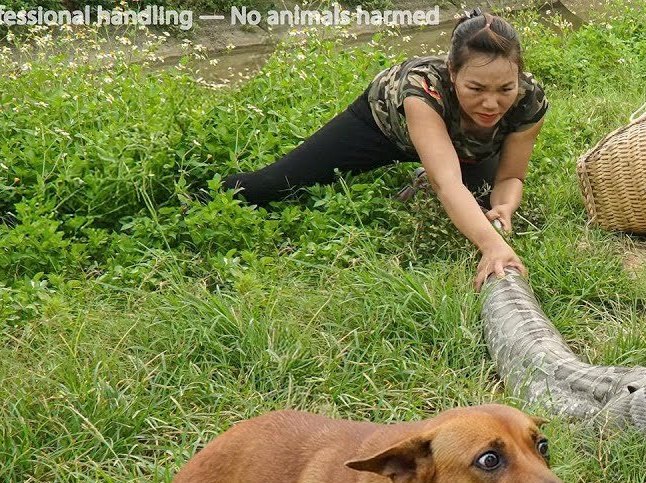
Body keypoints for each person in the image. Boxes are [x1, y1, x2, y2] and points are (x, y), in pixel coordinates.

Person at [222, 9, 548, 291]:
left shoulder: (528, 99)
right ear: (451, 71)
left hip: (464, 149)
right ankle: (199, 197)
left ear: (518, 76)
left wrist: (504, 207)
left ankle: (423, 175)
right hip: (382, 127)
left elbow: (512, 176)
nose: (491, 103)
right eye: (475, 89)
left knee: (482, 201)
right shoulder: (422, 87)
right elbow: (447, 183)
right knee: (271, 186)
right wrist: (493, 246)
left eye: (505, 88)